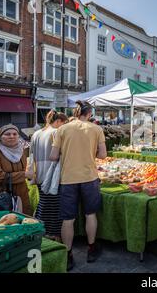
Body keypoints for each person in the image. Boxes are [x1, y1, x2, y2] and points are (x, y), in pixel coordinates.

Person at [49, 100, 107, 270]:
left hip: (68, 179)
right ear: (89, 114)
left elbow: (53, 156)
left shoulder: (62, 129)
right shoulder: (96, 129)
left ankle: (68, 255)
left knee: (68, 219)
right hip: (89, 177)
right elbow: (103, 155)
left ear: (75, 113)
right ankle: (91, 249)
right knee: (90, 215)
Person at [28, 110, 68, 241]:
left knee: (44, 202)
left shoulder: (36, 134)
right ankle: (53, 233)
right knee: (54, 206)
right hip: (52, 174)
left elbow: (31, 154)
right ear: (58, 121)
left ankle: (41, 228)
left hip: (39, 172)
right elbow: (60, 154)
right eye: (64, 123)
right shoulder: (56, 132)